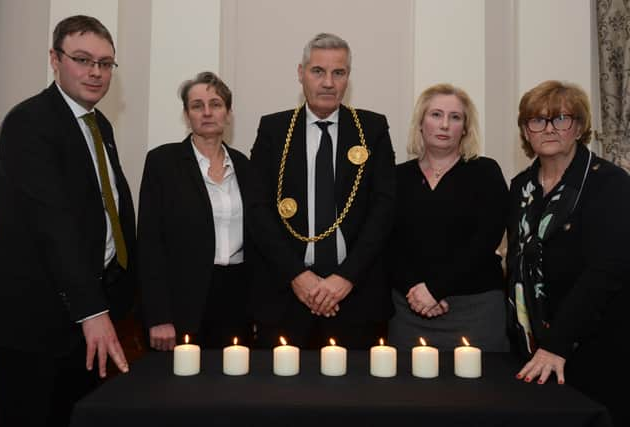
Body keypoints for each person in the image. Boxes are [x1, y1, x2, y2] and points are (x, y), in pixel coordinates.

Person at [0, 15, 136, 427]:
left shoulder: (98, 124)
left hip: (89, 314)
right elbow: (52, 225)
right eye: (83, 59)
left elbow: (107, 211)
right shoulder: (28, 123)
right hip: (38, 324)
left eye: (105, 63)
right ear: (55, 59)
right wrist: (93, 312)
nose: (95, 72)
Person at [248, 33, 396, 349]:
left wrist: (345, 279)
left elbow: (384, 209)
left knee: (356, 396)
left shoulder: (372, 129)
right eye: (318, 71)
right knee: (280, 396)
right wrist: (298, 277)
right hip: (286, 294)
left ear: (348, 78)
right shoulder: (274, 129)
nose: (328, 82)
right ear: (301, 73)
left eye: (338, 73)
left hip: (355, 296)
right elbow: (257, 210)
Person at [507, 80, 630, 426]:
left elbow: (607, 270)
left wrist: (557, 344)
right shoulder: (520, 186)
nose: (548, 128)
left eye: (560, 119)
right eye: (537, 120)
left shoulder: (609, 182)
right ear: (525, 131)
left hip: (593, 342)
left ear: (578, 127)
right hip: (532, 344)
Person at [386, 83, 510, 351]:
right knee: (406, 392)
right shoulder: (396, 177)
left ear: (465, 128)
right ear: (421, 123)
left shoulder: (485, 172)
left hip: (475, 309)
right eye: (436, 115)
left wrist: (435, 289)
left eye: (455, 118)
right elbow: (386, 242)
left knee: (480, 392)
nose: (444, 124)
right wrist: (416, 291)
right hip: (409, 308)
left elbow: (485, 240)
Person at [138, 72, 253, 350]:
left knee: (232, 387)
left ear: (228, 113)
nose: (207, 112)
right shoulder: (163, 163)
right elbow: (149, 244)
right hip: (182, 302)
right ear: (187, 114)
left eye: (215, 104)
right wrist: (159, 316)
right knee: (180, 390)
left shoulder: (245, 165)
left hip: (238, 298)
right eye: (197, 106)